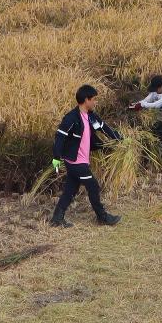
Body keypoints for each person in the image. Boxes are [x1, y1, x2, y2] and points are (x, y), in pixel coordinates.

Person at [50, 85, 122, 228]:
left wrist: (120, 139)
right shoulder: (71, 118)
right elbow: (60, 137)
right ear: (85, 100)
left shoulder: (91, 116)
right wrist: (56, 158)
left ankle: (57, 218)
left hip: (82, 160)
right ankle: (102, 217)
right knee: (93, 187)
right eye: (94, 99)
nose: (95, 102)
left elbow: (104, 128)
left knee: (71, 189)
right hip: (75, 161)